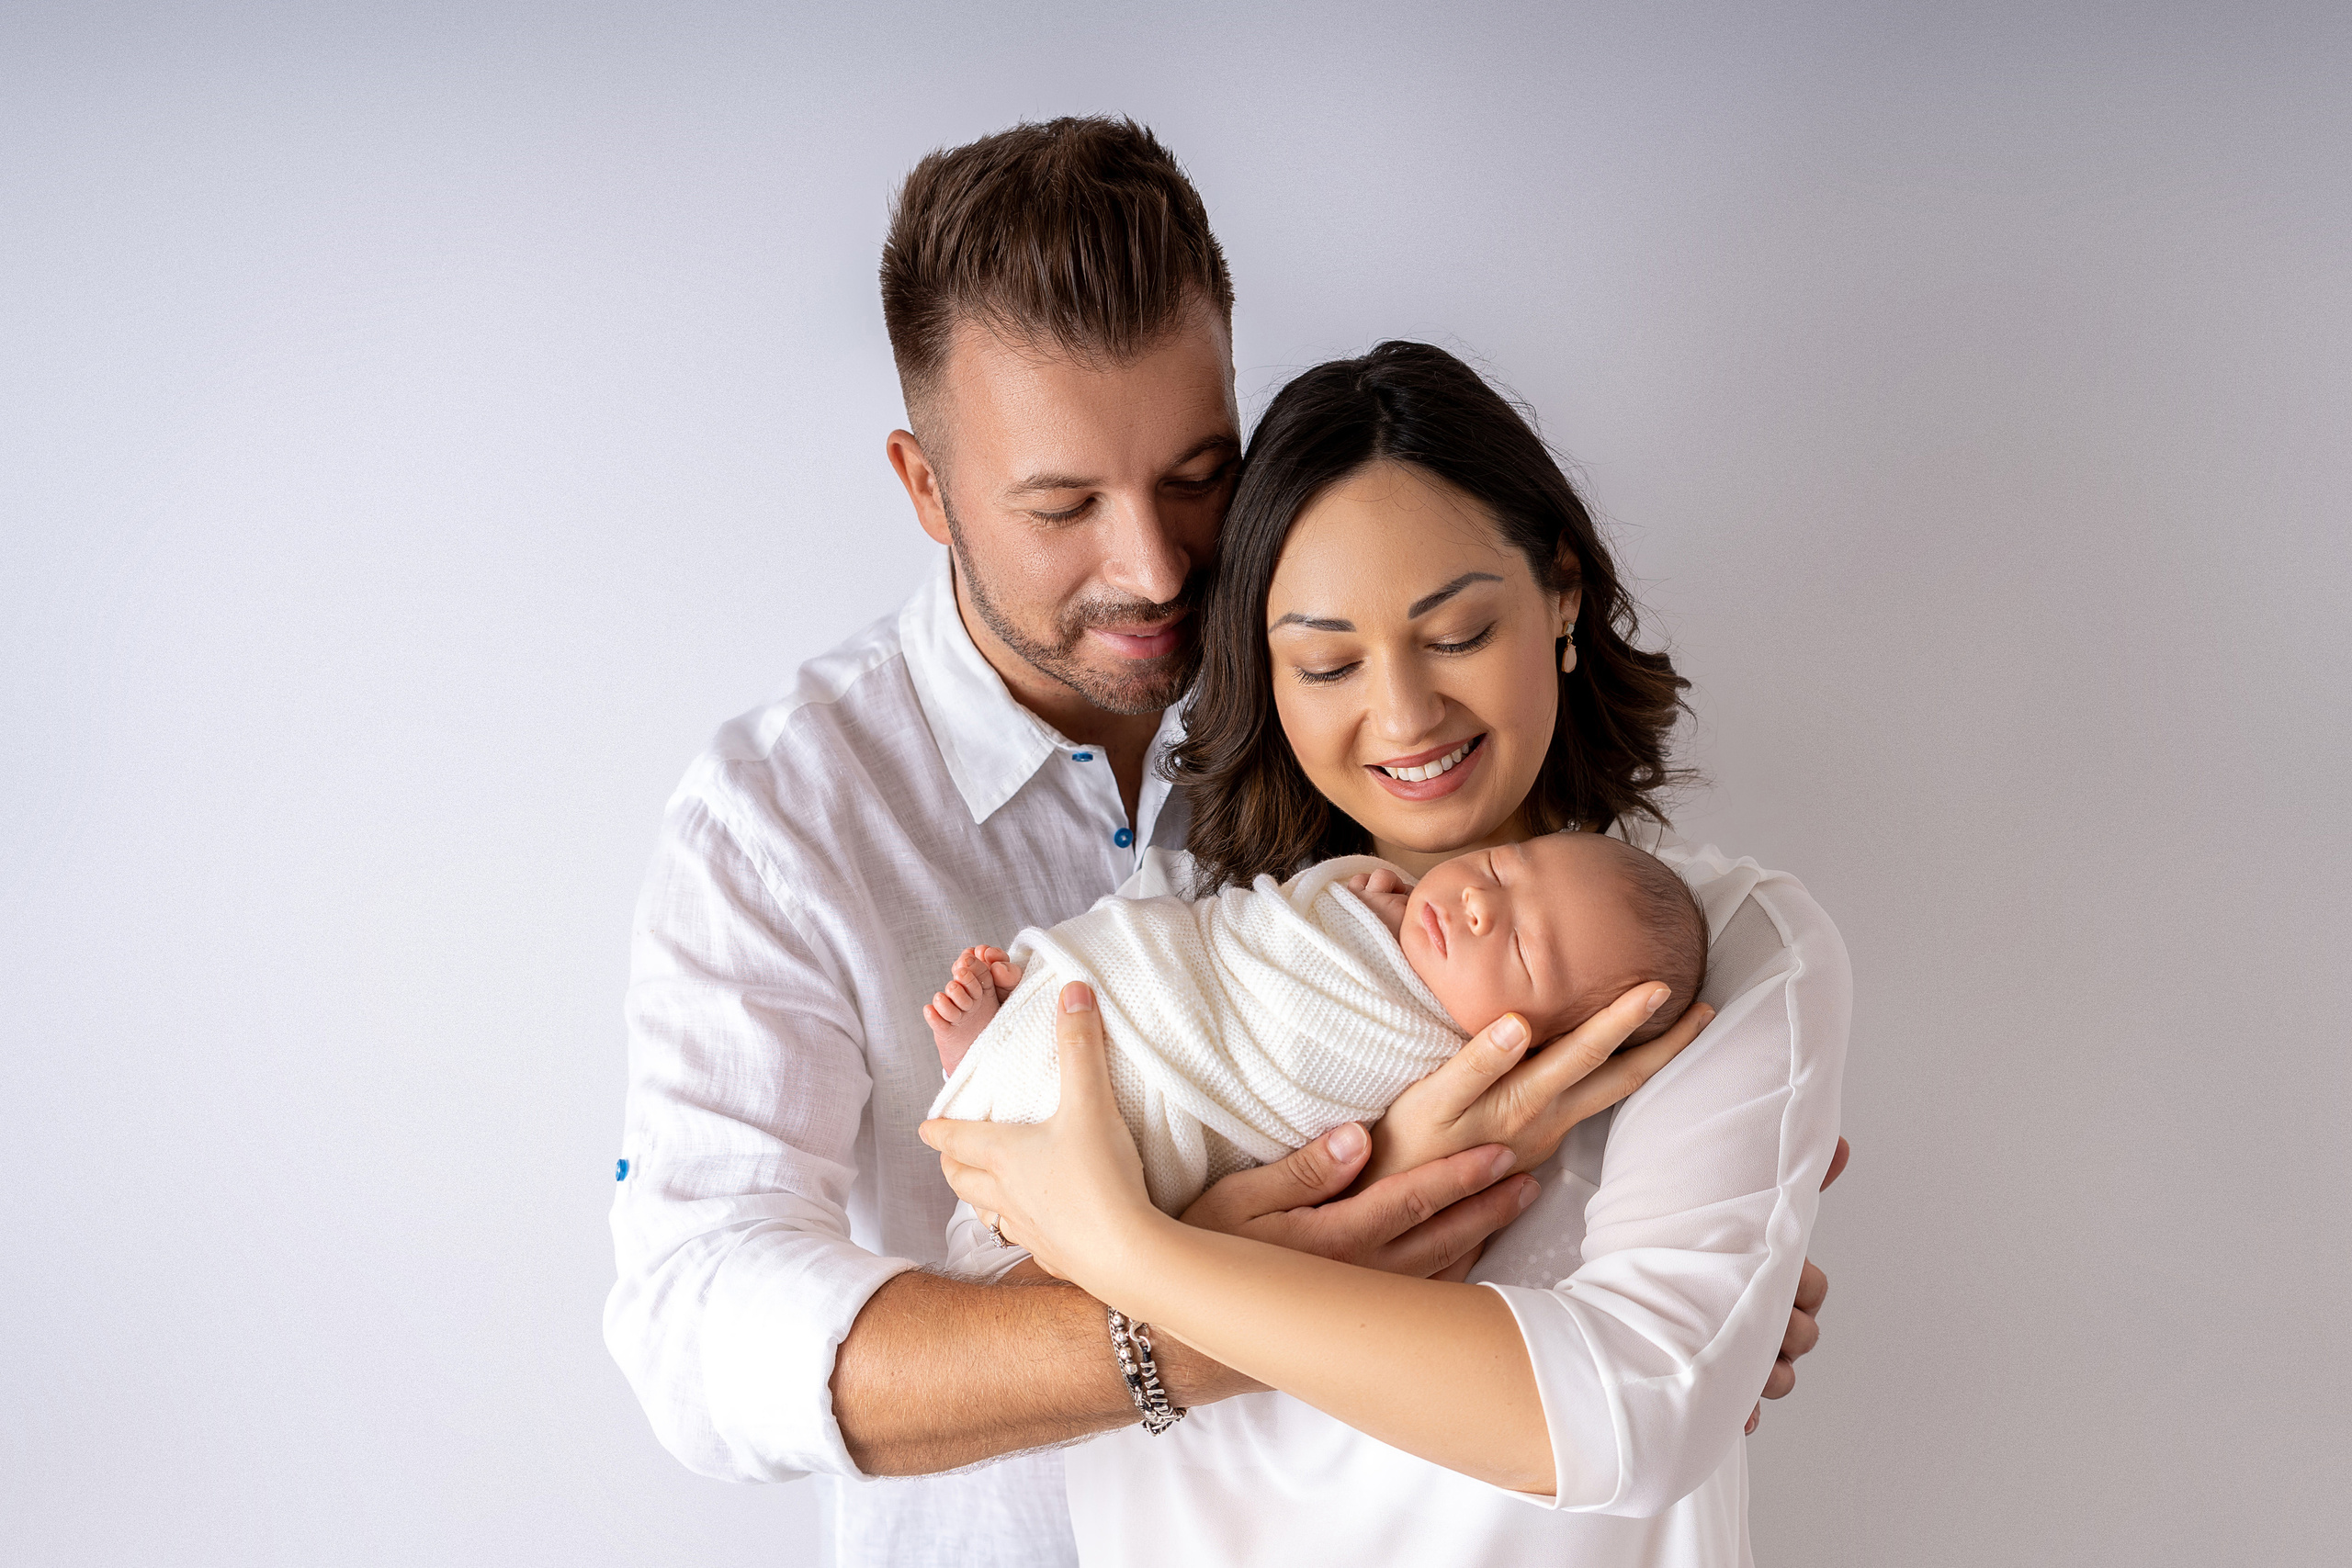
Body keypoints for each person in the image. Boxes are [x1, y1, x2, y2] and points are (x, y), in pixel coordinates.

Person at [605, 118, 1837, 1567]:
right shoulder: (787, 818)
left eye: (1197, 474)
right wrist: (1188, 1300)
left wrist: (1671, 1270)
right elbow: (697, 1328)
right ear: (925, 487)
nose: (1153, 565)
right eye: (1061, 506)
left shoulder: (1327, 733)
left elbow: (1627, 1366)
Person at [920, 341, 1851, 1564]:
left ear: (1560, 592)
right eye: (1328, 662)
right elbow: (983, 1301)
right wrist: (1352, 1201)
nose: (1406, 716)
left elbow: (1637, 1415)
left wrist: (1137, 1251)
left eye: (1457, 631)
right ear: (1265, 668)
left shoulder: (1722, 947)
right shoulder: (1183, 955)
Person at [924, 832, 1706, 1226]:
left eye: (1524, 952)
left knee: (1118, 1117)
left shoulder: (1433, 1055)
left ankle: (1001, 1074)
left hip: (1202, 1082)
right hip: (1178, 979)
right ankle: (1008, 1045)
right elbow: (1250, 937)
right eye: (1500, 867)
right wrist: (1355, 907)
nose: (1478, 904)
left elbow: (1293, 1052)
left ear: (1538, 1047)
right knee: (1112, 988)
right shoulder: (1384, 895)